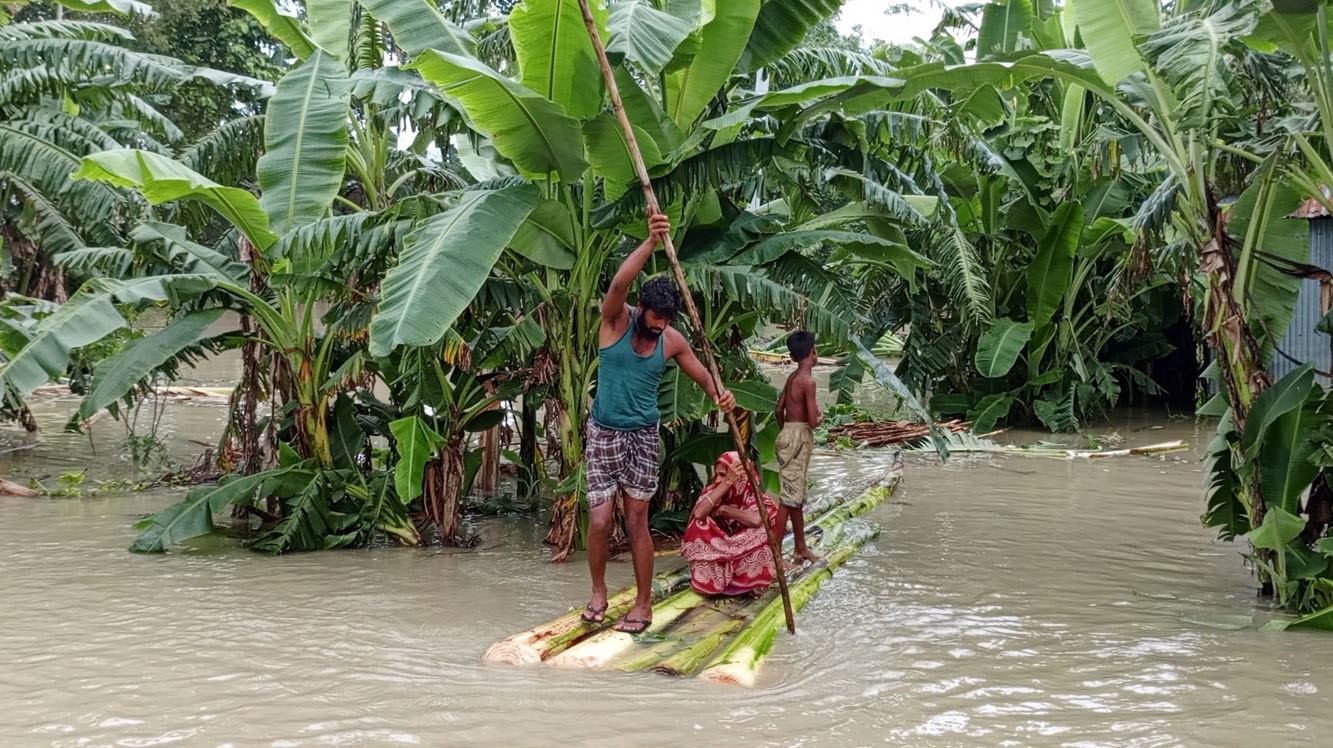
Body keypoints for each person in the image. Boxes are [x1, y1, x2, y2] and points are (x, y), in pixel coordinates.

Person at [581, 211, 736, 634]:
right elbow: (618, 284)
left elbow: (701, 372)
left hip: (644, 438)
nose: (658, 329)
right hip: (603, 432)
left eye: (666, 323)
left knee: (636, 521)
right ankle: (598, 594)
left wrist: (718, 394)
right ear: (642, 310)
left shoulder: (670, 340)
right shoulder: (615, 320)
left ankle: (644, 605)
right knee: (598, 520)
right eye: (654, 321)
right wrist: (651, 242)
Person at [679, 451, 778, 596]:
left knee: (765, 527)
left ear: (742, 478)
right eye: (717, 474)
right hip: (719, 553)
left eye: (724, 475)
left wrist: (725, 510)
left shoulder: (753, 495)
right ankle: (715, 580)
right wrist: (726, 483)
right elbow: (699, 514)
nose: (718, 479)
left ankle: (748, 581)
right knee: (698, 525)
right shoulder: (714, 491)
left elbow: (756, 520)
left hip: (744, 552)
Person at [775, 330, 822, 565]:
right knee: (788, 498)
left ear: (793, 357)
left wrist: (787, 431)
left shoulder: (792, 377)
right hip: (800, 434)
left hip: (788, 432)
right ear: (813, 352)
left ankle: (800, 548)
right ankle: (775, 554)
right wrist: (819, 419)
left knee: (796, 495)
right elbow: (813, 421)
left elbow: (778, 410)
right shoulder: (808, 382)